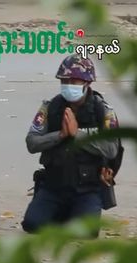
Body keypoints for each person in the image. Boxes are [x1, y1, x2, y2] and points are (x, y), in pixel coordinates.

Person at [21, 54, 120, 236]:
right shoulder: (51, 107)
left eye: (74, 81)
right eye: (65, 80)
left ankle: (73, 216)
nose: (68, 85)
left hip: (87, 188)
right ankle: (61, 215)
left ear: (87, 83)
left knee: (86, 234)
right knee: (32, 224)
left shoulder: (103, 110)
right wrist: (61, 135)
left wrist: (78, 135)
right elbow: (32, 142)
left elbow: (112, 148)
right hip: (53, 185)